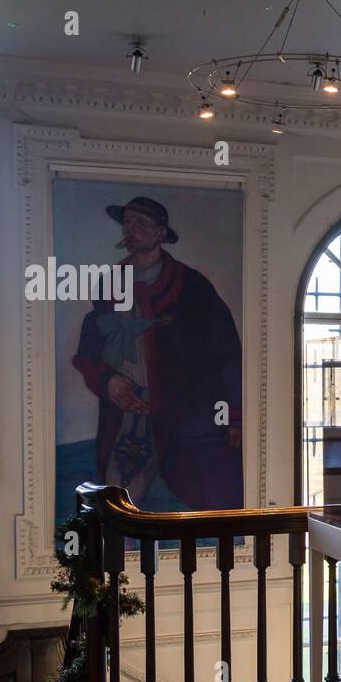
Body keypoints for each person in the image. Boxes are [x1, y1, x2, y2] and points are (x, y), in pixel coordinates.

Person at [72, 196, 243, 511]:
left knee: (193, 498)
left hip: (183, 412)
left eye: (141, 224)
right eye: (127, 223)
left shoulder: (193, 286)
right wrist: (108, 381)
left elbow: (227, 352)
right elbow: (90, 347)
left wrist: (234, 417)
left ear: (161, 233)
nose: (131, 230)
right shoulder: (109, 284)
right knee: (117, 500)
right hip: (124, 410)